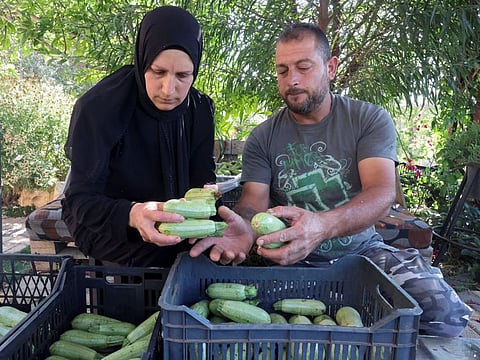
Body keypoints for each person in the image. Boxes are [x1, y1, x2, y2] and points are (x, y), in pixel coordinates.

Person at [190, 22, 472, 337]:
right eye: (282, 71)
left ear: (331, 67)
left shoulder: (368, 119)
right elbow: (253, 203)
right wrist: (243, 226)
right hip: (292, 259)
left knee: (444, 316)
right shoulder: (263, 137)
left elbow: (381, 192)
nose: (292, 80)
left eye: (303, 67)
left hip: (363, 253)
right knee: (267, 325)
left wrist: (322, 226)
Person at [62, 6, 222, 267]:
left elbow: (202, 178)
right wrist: (133, 213)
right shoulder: (99, 108)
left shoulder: (200, 110)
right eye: (158, 72)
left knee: (214, 250)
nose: (169, 89)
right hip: (108, 223)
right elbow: (81, 200)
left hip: (177, 223)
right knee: (167, 258)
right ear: (142, 60)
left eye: (183, 75)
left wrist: (207, 195)